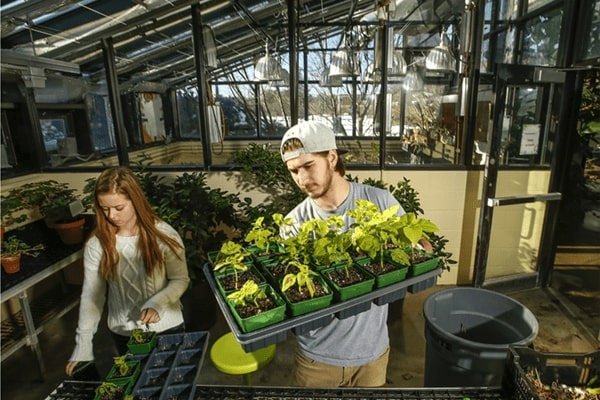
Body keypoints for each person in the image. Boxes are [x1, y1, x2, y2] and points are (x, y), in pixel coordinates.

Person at [280, 121, 432, 387]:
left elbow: (422, 245)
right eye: (294, 171)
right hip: (317, 358)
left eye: (307, 166)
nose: (301, 180)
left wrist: (409, 251)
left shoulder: (379, 202)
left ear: (331, 158)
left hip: (372, 353)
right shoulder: (294, 223)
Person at [65, 166, 190, 377]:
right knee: (139, 386)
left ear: (136, 201)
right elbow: (92, 297)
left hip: (167, 329)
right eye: (104, 209)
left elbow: (180, 279)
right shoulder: (98, 244)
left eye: (118, 208)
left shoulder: (165, 236)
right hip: (124, 333)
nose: (111, 215)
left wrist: (157, 303)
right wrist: (83, 344)